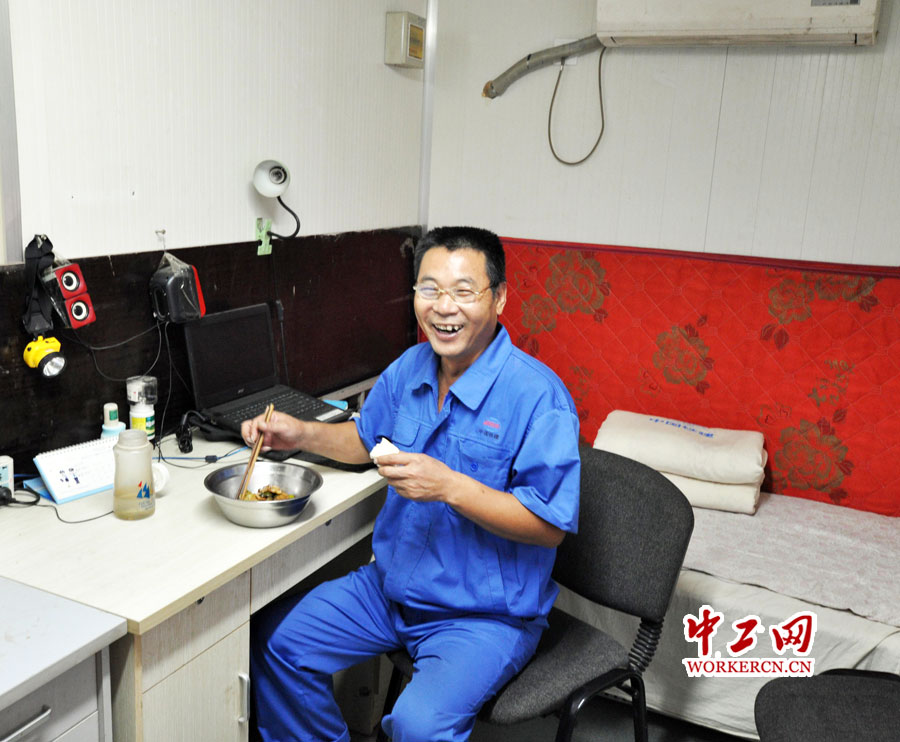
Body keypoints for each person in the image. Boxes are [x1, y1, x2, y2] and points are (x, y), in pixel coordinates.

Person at [243, 226, 581, 742]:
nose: (444, 307)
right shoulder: (410, 368)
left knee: (417, 726)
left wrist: (449, 486)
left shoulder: (538, 397)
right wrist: (301, 434)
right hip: (391, 590)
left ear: (500, 298)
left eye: (464, 291)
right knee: (279, 644)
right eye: (429, 289)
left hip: (482, 616)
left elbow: (548, 525)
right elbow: (366, 439)